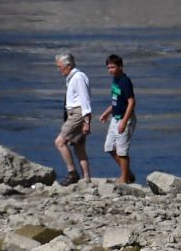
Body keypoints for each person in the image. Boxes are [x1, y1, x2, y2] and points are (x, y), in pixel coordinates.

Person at [97, 53, 136, 184]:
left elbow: (131, 102)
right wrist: (106, 113)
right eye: (108, 68)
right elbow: (115, 101)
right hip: (115, 117)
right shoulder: (115, 80)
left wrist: (124, 122)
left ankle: (124, 179)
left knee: (122, 151)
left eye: (113, 67)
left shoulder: (125, 81)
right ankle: (128, 174)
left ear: (120, 66)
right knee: (109, 147)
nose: (110, 70)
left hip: (125, 119)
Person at [54, 52, 91, 185]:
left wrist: (87, 121)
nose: (59, 70)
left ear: (68, 65)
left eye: (60, 67)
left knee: (59, 142)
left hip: (77, 114)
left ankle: (72, 173)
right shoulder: (71, 78)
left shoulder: (78, 78)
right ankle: (86, 178)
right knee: (78, 146)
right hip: (73, 113)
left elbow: (85, 99)